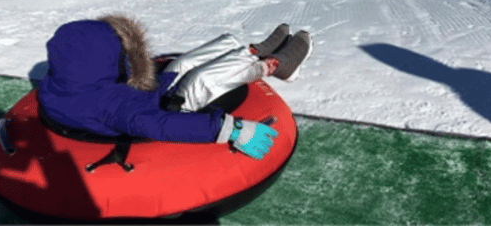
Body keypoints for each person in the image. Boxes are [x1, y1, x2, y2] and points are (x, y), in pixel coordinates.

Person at [38, 16, 311, 160]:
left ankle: (253, 50)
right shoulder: (113, 109)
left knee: (184, 63)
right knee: (201, 80)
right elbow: (159, 126)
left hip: (145, 96)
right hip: (159, 107)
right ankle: (272, 65)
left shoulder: (60, 86)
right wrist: (231, 129)